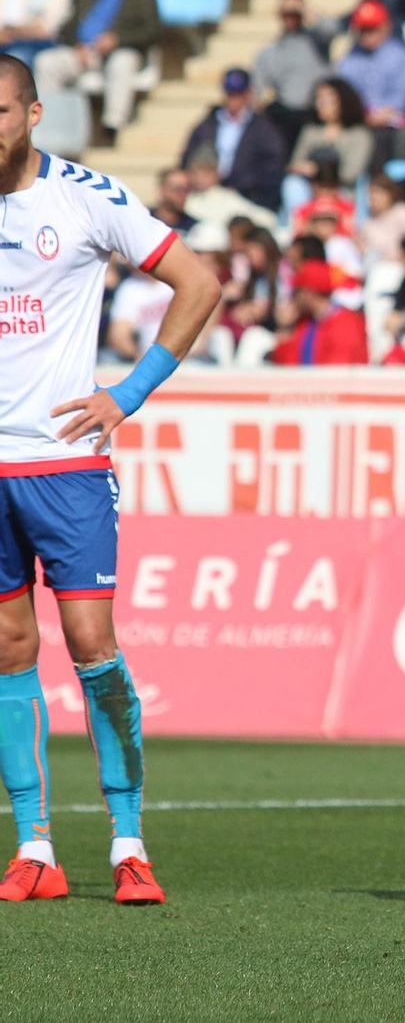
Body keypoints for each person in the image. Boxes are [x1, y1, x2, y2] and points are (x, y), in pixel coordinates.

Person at [0, 55, 221, 906]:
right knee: (9, 650)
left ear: (34, 113)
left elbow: (199, 282)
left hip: (65, 466)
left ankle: (130, 843)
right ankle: (35, 848)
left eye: (2, 112)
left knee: (93, 646)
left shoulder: (85, 197)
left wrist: (128, 393)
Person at [32, 0, 158, 137]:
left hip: (122, 51)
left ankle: (112, 126)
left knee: (122, 61)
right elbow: (67, 28)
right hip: (86, 53)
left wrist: (118, 40)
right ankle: (49, 126)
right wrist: (77, 46)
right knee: (46, 62)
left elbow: (152, 31)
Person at [179, 69, 289, 213]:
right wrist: (201, 177)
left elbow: (272, 168)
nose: (233, 99)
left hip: (247, 198)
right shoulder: (208, 124)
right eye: (229, 94)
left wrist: (240, 185)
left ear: (248, 93)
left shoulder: (264, 129)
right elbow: (188, 158)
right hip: (206, 193)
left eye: (238, 94)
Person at [338, 0, 405, 164]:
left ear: (386, 27)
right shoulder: (350, 58)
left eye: (372, 29)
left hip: (392, 123)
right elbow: (344, 91)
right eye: (363, 29)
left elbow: (403, 95)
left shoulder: (400, 55)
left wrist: (382, 115)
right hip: (359, 121)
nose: (367, 34)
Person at [253, 0, 333, 148]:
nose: (290, 16)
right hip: (285, 117)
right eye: (286, 12)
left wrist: (304, 10)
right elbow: (256, 92)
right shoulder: (271, 51)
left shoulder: (317, 42)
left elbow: (332, 29)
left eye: (294, 12)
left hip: (315, 114)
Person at [285, 78, 374, 201]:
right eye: (318, 99)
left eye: (327, 99)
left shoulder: (359, 135)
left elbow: (350, 173)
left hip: (343, 190)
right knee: (292, 184)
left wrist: (318, 170)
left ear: (343, 100)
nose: (320, 104)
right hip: (310, 189)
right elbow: (296, 163)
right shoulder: (311, 131)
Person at [268, 259, 369, 365]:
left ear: (308, 292)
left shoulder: (345, 324)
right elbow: (287, 363)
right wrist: (285, 329)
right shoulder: (305, 323)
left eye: (297, 291)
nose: (293, 297)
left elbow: (339, 368)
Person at [0, 0, 73, 68]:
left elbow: (45, 31)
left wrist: (12, 31)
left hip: (40, 48)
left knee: (15, 61)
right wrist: (27, 29)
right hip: (5, 46)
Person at [182, 147, 277, 230]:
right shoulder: (184, 198)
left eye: (206, 173)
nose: (199, 178)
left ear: (217, 174)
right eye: (195, 172)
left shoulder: (227, 198)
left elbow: (266, 219)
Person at [360, 173, 405, 264]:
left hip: (402, 265)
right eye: (370, 193)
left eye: (377, 192)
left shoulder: (403, 212)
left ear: (389, 194)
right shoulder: (368, 222)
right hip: (377, 266)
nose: (373, 197)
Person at [151, 167, 197, 235]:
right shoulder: (146, 219)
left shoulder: (194, 228)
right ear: (163, 189)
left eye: (186, 190)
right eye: (179, 189)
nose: (183, 195)